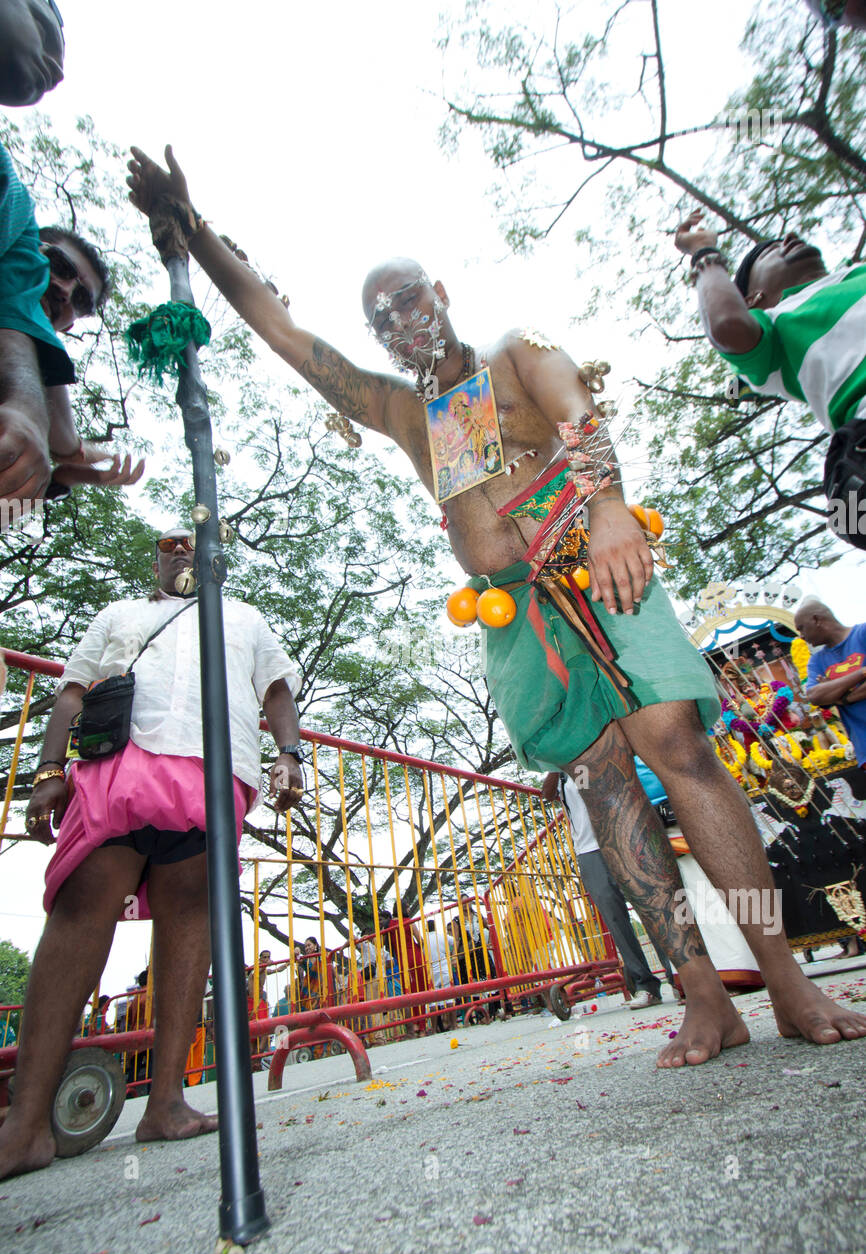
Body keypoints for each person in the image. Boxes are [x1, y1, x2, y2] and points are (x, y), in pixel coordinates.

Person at [125, 149, 866, 1068]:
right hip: (519, 621)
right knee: (602, 787)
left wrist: (604, 512)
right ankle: (703, 996)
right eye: (380, 317)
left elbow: (580, 418)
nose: (399, 321)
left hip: (599, 569)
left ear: (438, 290)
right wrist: (192, 233)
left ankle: (786, 978)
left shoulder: (520, 350)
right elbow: (286, 335)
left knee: (676, 745)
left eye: (407, 298)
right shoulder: (404, 412)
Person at [0, 527, 304, 1178]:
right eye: (171, 543)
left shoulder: (244, 618)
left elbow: (278, 688)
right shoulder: (119, 615)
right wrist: (49, 768)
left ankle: (165, 1101)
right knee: (82, 905)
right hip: (116, 769)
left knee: (190, 911)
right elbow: (73, 690)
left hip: (211, 768)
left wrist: (289, 754)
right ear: (158, 557)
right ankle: (24, 1126)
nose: (183, 551)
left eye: (197, 544)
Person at [0, 2, 143, 513]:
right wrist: (69, 450)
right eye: (58, 268)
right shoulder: (9, 202)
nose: (62, 291)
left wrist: (64, 471)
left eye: (80, 299)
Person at [674, 214, 866, 551]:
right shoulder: (776, 325)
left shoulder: (857, 274)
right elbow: (726, 324)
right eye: (769, 251)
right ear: (754, 300)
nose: (790, 235)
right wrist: (704, 252)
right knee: (851, 511)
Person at [543, 770, 673, 1008]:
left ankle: (679, 975)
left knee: (648, 908)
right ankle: (645, 985)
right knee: (615, 919)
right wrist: (554, 766)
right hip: (588, 849)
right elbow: (546, 794)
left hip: (620, 837)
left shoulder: (591, 756)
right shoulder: (560, 774)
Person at [795, 599, 866, 768]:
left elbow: (825, 695)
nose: (801, 636)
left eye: (801, 628)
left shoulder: (862, 633)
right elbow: (814, 696)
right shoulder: (817, 661)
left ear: (817, 620)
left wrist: (839, 695)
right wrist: (861, 673)